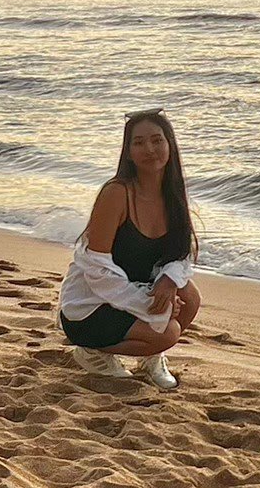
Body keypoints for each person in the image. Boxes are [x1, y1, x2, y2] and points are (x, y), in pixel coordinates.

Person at [58, 109, 200, 387]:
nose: (150, 149)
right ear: (129, 152)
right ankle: (92, 352)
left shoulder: (173, 195)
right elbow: (97, 270)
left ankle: (150, 357)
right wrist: (151, 304)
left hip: (131, 291)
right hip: (91, 304)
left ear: (170, 145)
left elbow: (181, 252)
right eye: (139, 142)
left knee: (190, 297)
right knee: (168, 332)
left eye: (157, 140)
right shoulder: (117, 193)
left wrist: (169, 281)